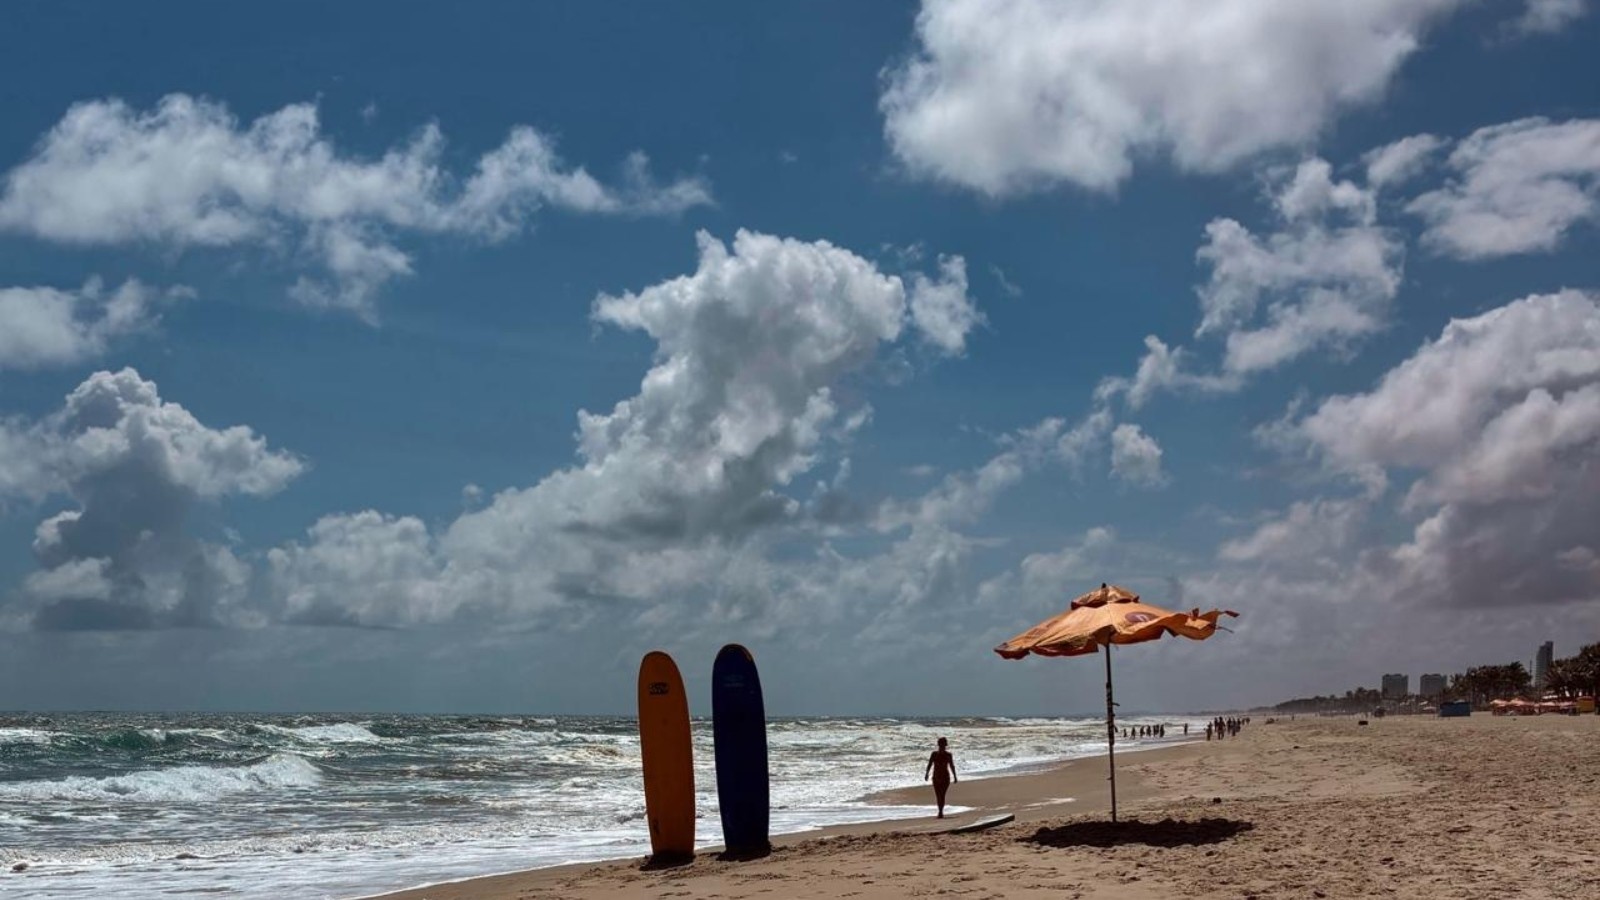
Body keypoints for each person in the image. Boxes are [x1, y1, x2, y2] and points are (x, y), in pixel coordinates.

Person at [924, 737, 958, 818]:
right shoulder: (934, 754)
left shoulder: (948, 755)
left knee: (942, 795)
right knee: (938, 795)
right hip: (936, 777)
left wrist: (955, 776)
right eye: (941, 745)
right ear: (938, 745)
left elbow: (952, 766)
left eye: (943, 745)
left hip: (945, 777)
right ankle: (940, 811)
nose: (942, 746)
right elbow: (929, 764)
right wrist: (927, 773)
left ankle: (940, 812)